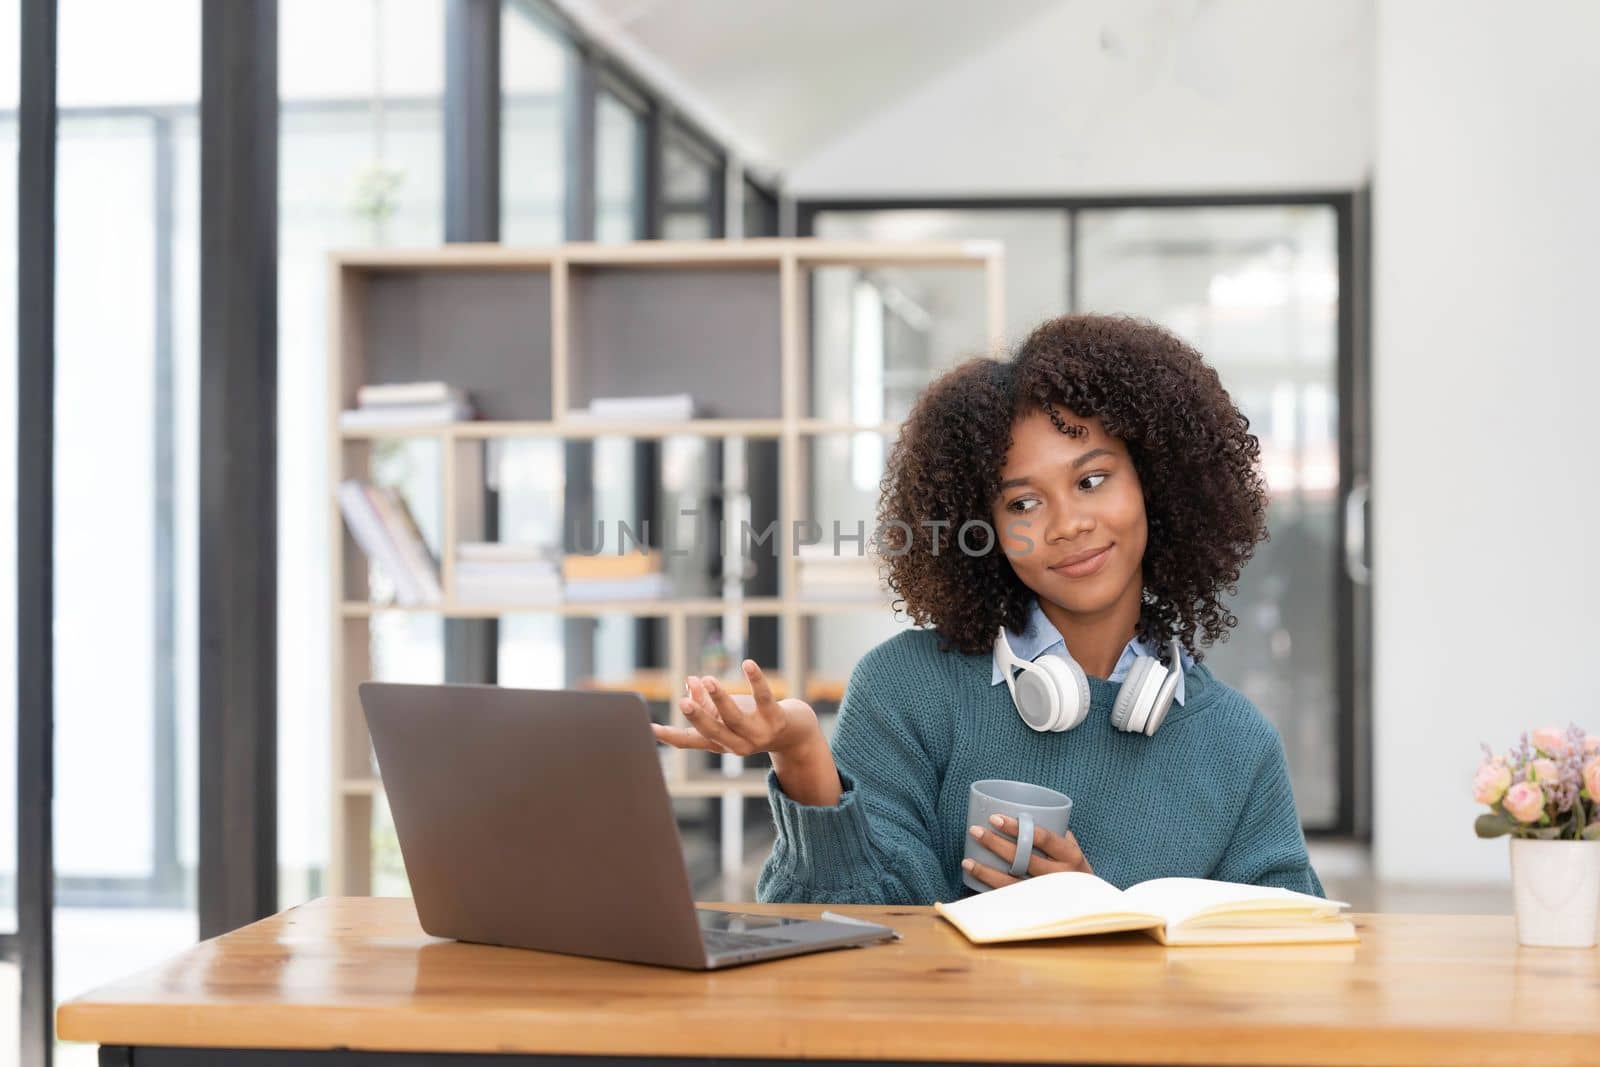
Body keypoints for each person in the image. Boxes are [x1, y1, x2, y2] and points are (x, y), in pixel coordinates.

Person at [653, 313, 1324, 904]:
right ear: (987, 529)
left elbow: (1288, 959)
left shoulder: (1235, 744)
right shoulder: (906, 691)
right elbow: (841, 930)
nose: (1066, 523)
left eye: (1092, 480)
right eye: (1023, 502)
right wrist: (803, 760)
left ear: (1156, 482)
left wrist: (1106, 918)